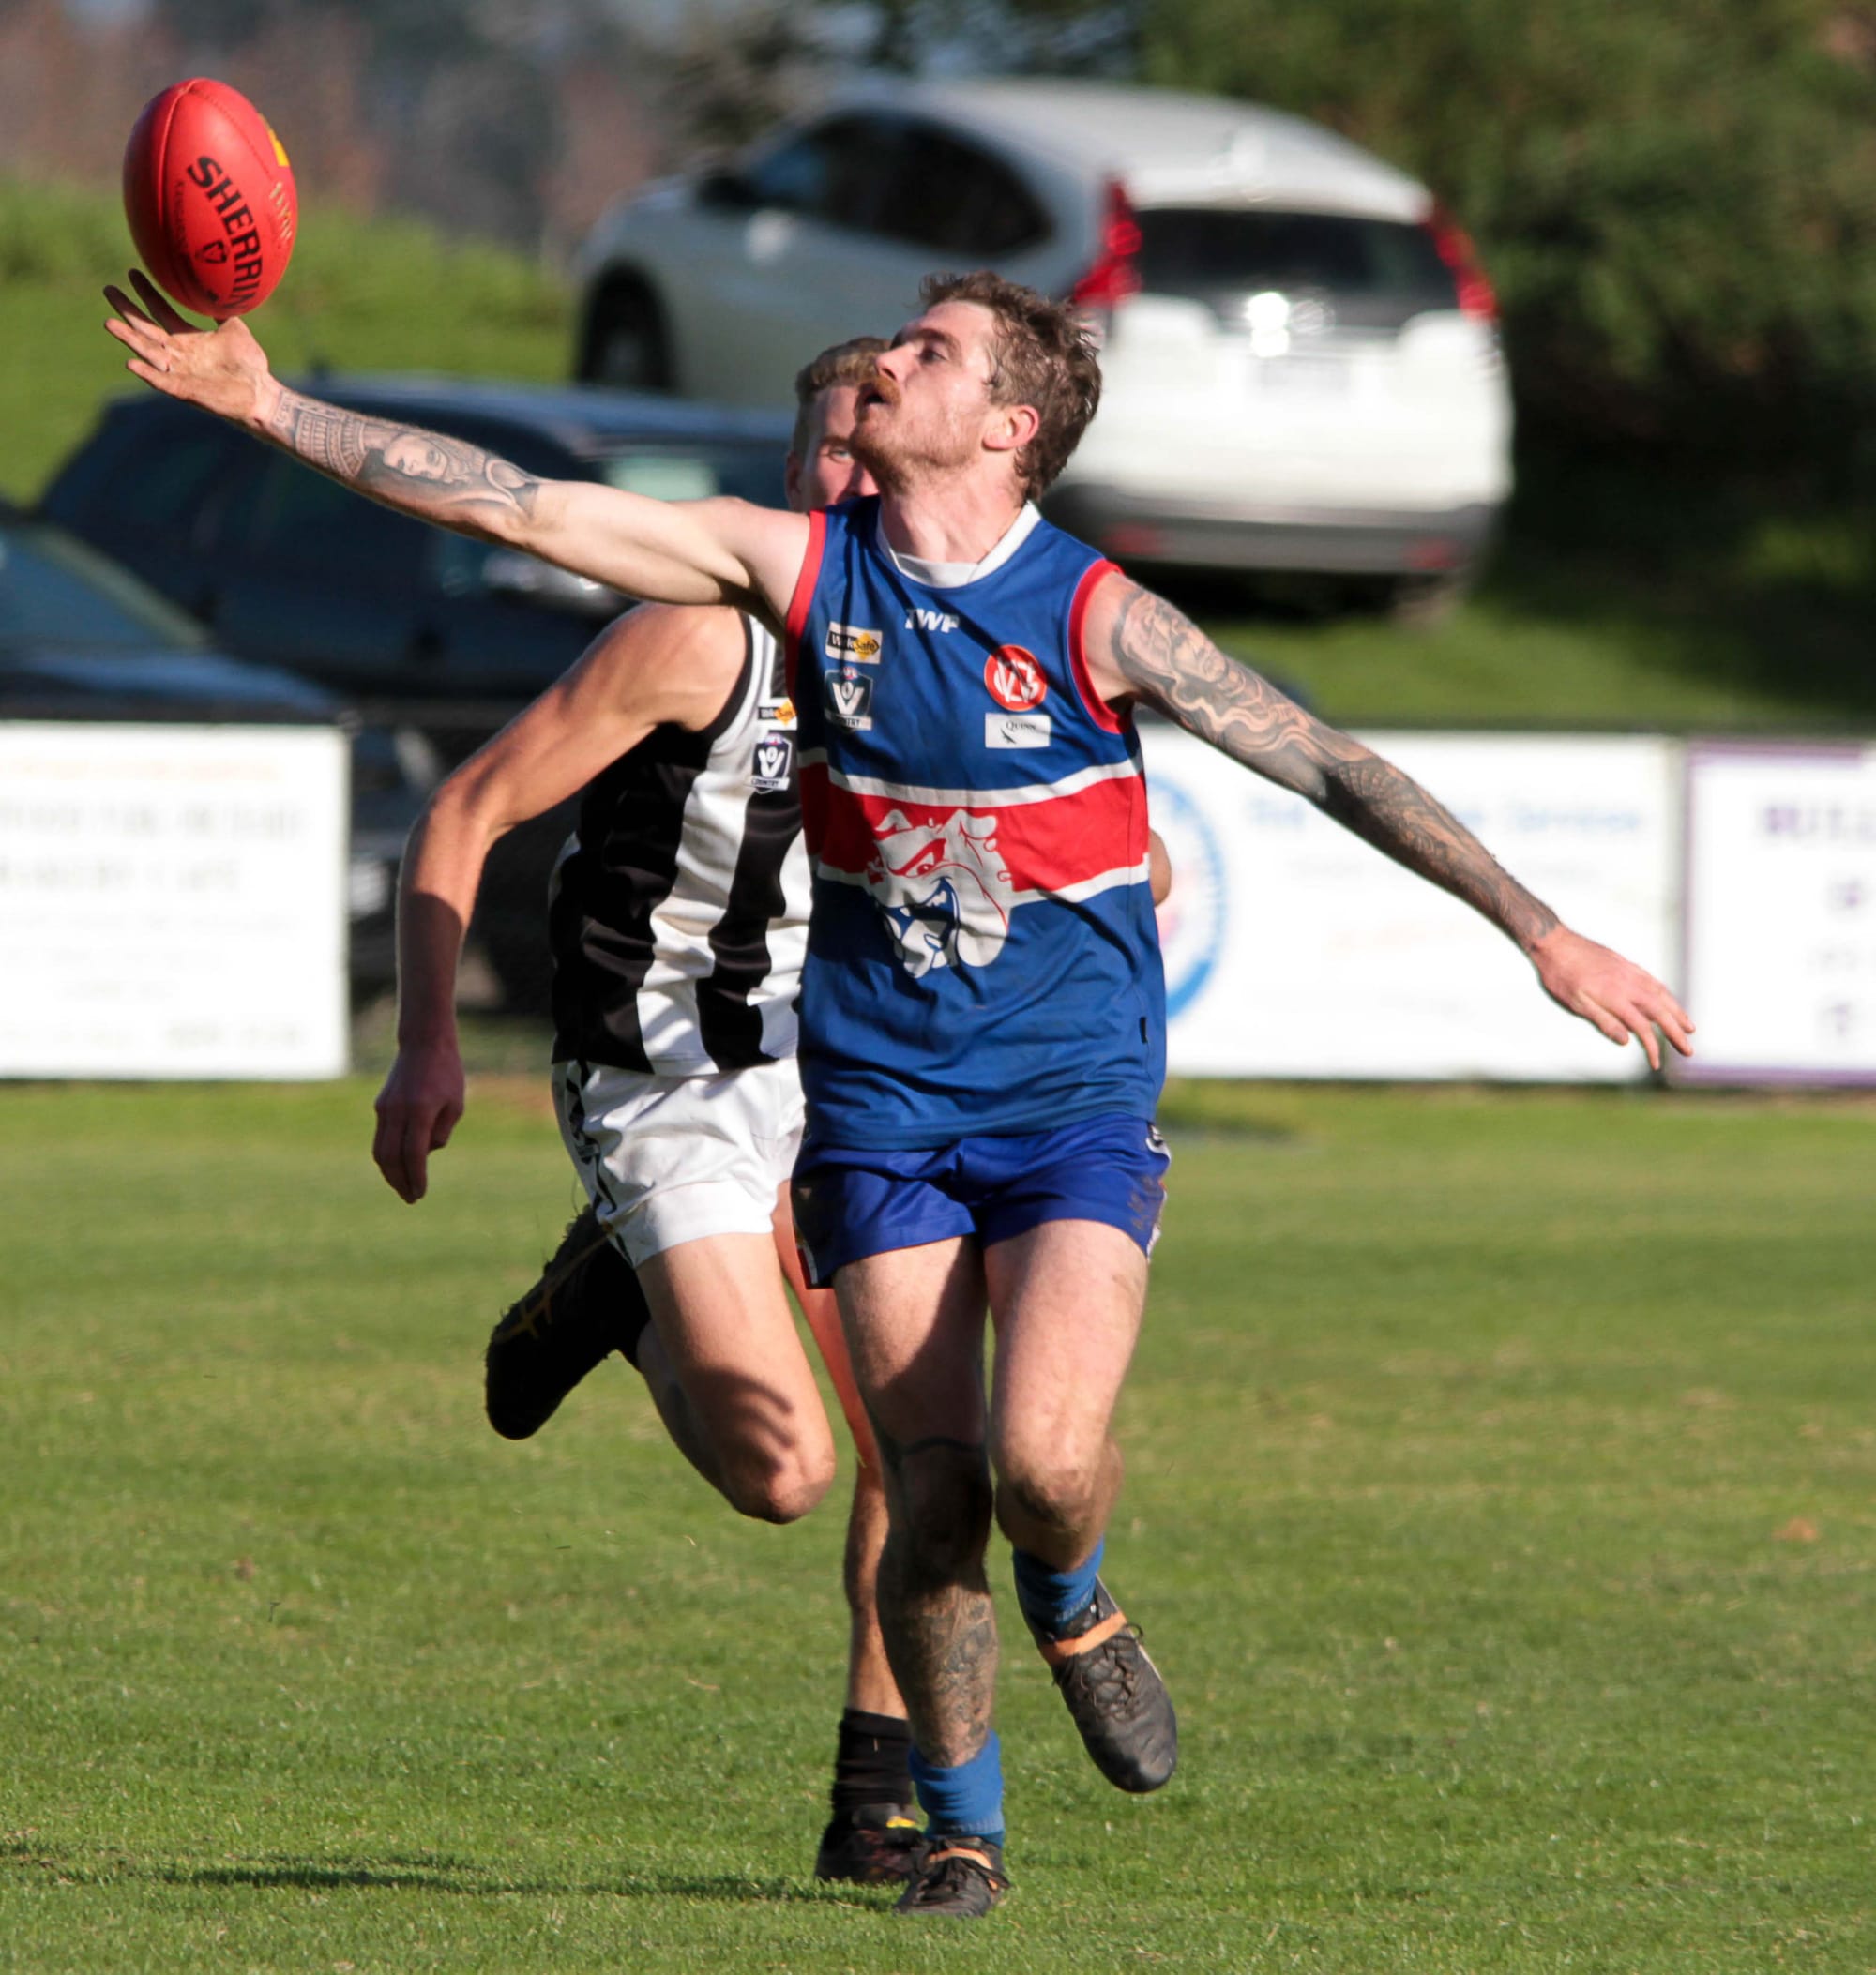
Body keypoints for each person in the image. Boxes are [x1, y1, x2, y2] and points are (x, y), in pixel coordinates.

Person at [105, 266, 1694, 1921]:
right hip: (858, 1108)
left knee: (1044, 1460)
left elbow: (1329, 759)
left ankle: (1073, 1592)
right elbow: (523, 504)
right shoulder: (794, 579)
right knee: (905, 1482)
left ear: (1004, 429)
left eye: (930, 350)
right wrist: (267, 404)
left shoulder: (1096, 616)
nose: (892, 363)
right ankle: (955, 1830)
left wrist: (1542, 929)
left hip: (1065, 1102)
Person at [374, 338, 922, 1886]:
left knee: (916, 1443)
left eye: (888, 448)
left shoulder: (939, 656)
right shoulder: (701, 637)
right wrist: (428, 1045)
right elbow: (464, 809)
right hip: (658, 1077)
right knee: (787, 1473)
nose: (861, 476)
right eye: (836, 446)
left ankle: (870, 1811)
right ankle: (614, 1283)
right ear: (793, 463)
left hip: (824, 1079)